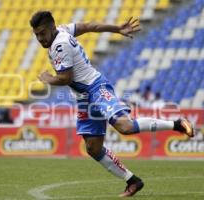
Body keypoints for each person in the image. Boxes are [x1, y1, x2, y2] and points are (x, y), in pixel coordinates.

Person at [30, 11, 194, 197]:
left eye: (42, 33)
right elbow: (89, 26)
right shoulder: (63, 30)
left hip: (96, 88)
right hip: (84, 97)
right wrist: (116, 28)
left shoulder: (60, 45)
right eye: (36, 34)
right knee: (93, 148)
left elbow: (65, 78)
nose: (40, 38)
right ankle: (133, 180)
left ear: (51, 28)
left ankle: (178, 124)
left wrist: (48, 79)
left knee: (125, 126)